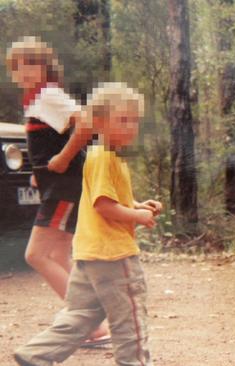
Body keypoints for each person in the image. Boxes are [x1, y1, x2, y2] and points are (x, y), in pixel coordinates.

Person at [14, 82, 161, 366]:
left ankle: (36, 354)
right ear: (99, 123)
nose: (131, 127)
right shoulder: (106, 157)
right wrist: (138, 217)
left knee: (80, 315)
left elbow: (110, 199)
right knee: (130, 320)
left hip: (89, 254)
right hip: (113, 256)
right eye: (122, 120)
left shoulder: (102, 156)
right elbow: (104, 206)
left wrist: (137, 206)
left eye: (134, 121)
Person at [5, 36, 109, 346]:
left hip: (65, 188)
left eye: (32, 64)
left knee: (36, 255)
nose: (25, 71)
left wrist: (63, 160)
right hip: (61, 187)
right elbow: (49, 141)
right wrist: (41, 174)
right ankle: (91, 322)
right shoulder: (38, 100)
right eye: (18, 66)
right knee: (60, 254)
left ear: (46, 66)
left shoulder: (48, 94)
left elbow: (87, 123)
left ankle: (88, 321)